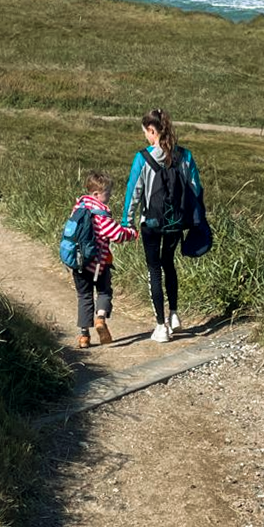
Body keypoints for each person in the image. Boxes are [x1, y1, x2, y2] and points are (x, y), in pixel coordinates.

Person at [122, 108, 203, 343]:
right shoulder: (185, 156)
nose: (145, 137)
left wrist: (127, 222)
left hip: (152, 223)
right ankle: (175, 314)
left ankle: (160, 326)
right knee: (169, 264)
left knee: (153, 269)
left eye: (146, 133)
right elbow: (195, 189)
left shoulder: (142, 158)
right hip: (176, 223)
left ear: (152, 130)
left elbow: (133, 192)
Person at [69, 171, 136, 349]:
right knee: (104, 292)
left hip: (78, 262)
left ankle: (84, 337)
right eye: (108, 192)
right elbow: (117, 235)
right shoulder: (101, 214)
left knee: (84, 296)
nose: (110, 195)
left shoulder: (79, 207)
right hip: (99, 263)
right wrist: (132, 233)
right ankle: (100, 319)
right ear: (97, 195)